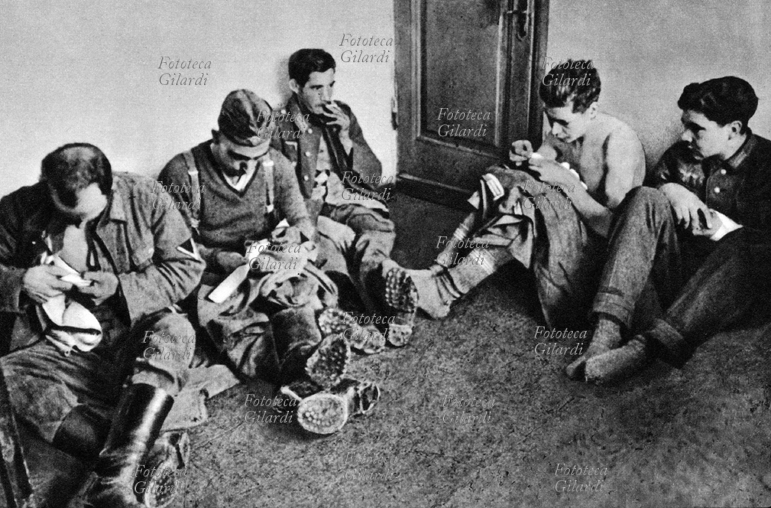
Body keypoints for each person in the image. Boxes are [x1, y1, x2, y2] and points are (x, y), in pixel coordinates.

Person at [0, 143, 204, 507]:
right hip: (60, 342)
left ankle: (113, 477)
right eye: (66, 215)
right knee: (7, 380)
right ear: (45, 187)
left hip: (133, 330)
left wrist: (122, 287)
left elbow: (187, 267)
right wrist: (19, 280)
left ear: (110, 187)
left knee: (175, 333)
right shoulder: (21, 206)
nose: (78, 224)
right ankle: (142, 455)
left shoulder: (147, 196)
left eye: (87, 216)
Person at [388, 60, 646, 362]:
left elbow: (618, 233)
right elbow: (536, 169)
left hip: (597, 259)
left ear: (591, 110)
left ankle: (443, 290)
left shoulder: (618, 143)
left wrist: (565, 182)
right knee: (503, 179)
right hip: (560, 231)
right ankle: (438, 270)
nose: (554, 130)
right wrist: (521, 160)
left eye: (563, 123)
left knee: (525, 207)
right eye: (550, 120)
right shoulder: (560, 130)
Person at [158, 89, 380, 435]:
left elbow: (302, 221)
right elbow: (177, 250)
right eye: (238, 155)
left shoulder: (274, 163)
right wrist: (221, 258)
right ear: (217, 138)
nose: (249, 165)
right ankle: (311, 374)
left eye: (257, 156)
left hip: (265, 258)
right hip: (214, 272)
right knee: (237, 323)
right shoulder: (182, 173)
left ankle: (304, 367)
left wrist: (294, 236)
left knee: (296, 292)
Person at [578, 76, 771, 384]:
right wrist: (672, 190)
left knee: (748, 242)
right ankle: (605, 333)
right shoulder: (682, 155)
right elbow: (639, 214)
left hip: (730, 297)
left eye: (697, 128)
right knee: (644, 197)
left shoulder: (767, 164)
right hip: (677, 277)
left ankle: (645, 349)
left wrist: (726, 230)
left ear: (733, 130)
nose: (684, 135)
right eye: (685, 124)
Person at [271, 49, 410, 346]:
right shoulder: (279, 126)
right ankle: (355, 317)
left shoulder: (342, 113)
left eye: (331, 85)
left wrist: (347, 136)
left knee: (378, 228)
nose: (326, 95)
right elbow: (278, 195)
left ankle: (383, 284)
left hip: (346, 196)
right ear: (295, 86)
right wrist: (319, 223)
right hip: (311, 209)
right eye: (317, 88)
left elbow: (373, 175)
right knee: (330, 253)